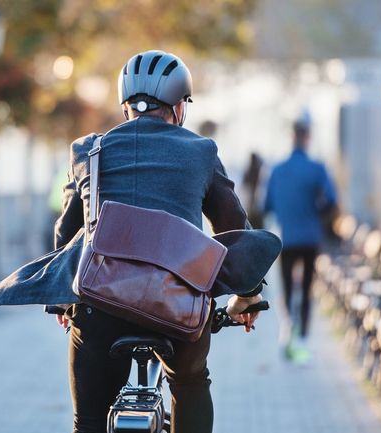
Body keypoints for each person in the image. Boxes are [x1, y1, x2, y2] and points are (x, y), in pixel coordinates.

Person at [53, 50, 263, 433]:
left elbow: (67, 235)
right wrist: (246, 296)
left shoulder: (88, 151)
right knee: (189, 381)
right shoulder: (201, 151)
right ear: (180, 107)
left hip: (100, 304)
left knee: (89, 421)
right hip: (178, 305)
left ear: (125, 108)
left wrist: (62, 299)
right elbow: (235, 232)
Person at [264, 114, 337, 364]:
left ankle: (287, 330)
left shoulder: (277, 170)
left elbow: (268, 205)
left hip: (286, 238)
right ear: (307, 138)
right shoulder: (317, 169)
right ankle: (303, 339)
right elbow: (331, 201)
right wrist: (316, 212)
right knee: (306, 288)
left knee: (285, 287)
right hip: (310, 236)